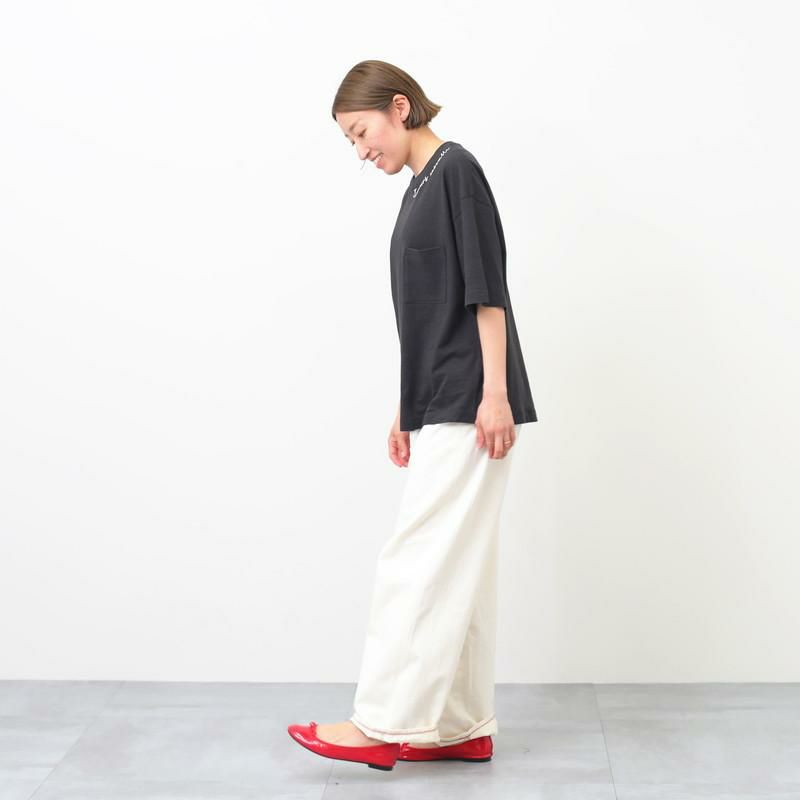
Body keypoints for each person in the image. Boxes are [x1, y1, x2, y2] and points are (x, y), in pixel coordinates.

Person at [288, 60, 538, 771]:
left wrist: (495, 393)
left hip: (470, 397)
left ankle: (380, 723)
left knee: (415, 560)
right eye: (349, 141)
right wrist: (405, 407)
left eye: (361, 131)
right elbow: (423, 316)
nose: (360, 150)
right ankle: (458, 726)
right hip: (439, 399)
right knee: (459, 568)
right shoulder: (418, 190)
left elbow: (487, 290)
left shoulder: (456, 171)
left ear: (400, 107)